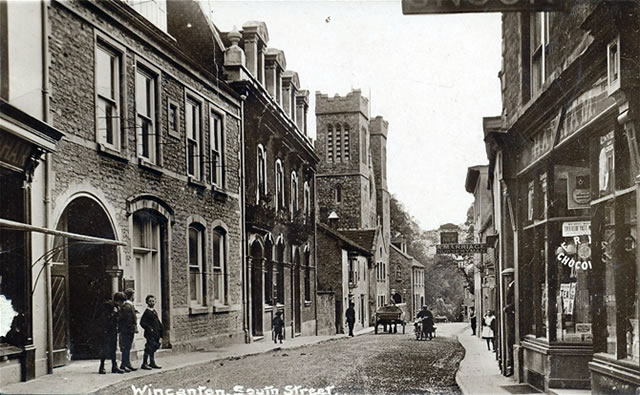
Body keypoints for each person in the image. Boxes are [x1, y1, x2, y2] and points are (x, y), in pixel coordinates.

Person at [98, 292, 125, 374]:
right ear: (118, 300)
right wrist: (114, 313)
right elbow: (104, 319)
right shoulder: (108, 306)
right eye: (121, 301)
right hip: (106, 331)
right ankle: (101, 367)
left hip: (113, 331)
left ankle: (114, 366)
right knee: (104, 349)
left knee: (113, 349)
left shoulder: (116, 307)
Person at [140, 295, 162, 370]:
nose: (151, 303)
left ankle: (152, 362)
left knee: (153, 347)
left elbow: (157, 322)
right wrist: (149, 328)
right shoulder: (147, 312)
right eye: (150, 301)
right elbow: (142, 322)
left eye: (153, 301)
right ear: (147, 302)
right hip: (150, 334)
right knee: (148, 348)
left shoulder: (154, 311)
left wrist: (161, 329)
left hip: (156, 333)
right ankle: (144, 363)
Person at [119, 288, 138, 372]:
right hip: (127, 330)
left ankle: (125, 363)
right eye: (133, 295)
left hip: (128, 329)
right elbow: (127, 319)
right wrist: (133, 327)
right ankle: (125, 364)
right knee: (126, 347)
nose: (134, 297)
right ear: (130, 296)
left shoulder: (129, 305)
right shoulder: (127, 306)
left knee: (127, 347)